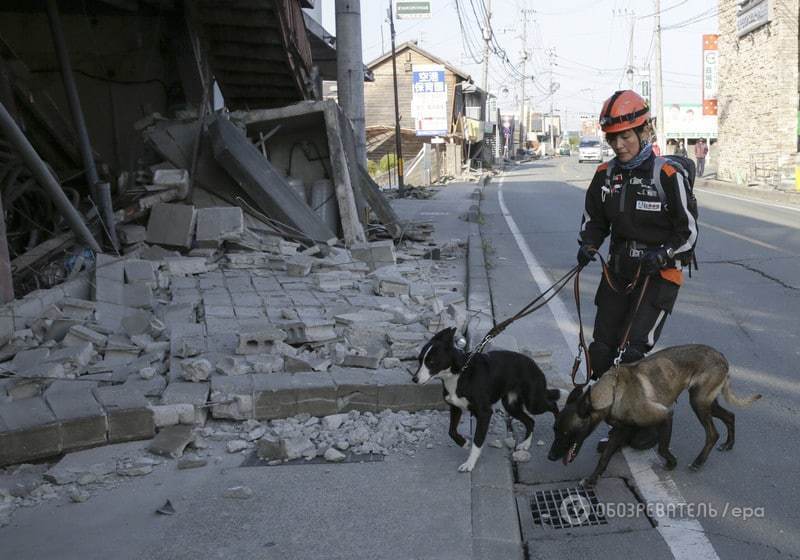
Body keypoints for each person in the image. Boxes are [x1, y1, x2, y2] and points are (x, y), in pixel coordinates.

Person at [576, 90, 698, 451]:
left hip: (659, 276)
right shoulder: (605, 175)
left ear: (645, 132)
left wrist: (663, 254)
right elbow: (594, 222)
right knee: (601, 351)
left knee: (631, 355)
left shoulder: (668, 174)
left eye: (627, 136)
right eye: (613, 138)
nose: (620, 144)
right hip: (618, 273)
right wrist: (588, 245)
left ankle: (645, 425)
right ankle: (618, 416)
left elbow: (689, 233)